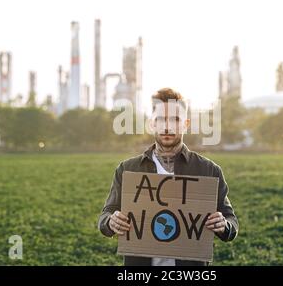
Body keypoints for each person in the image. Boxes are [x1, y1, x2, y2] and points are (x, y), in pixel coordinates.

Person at [98, 87, 238, 266]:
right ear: (152, 124)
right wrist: (111, 222)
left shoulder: (209, 171)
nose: (167, 126)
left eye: (175, 119)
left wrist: (224, 225)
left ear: (186, 124)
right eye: (161, 119)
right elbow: (106, 215)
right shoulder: (127, 170)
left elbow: (231, 221)